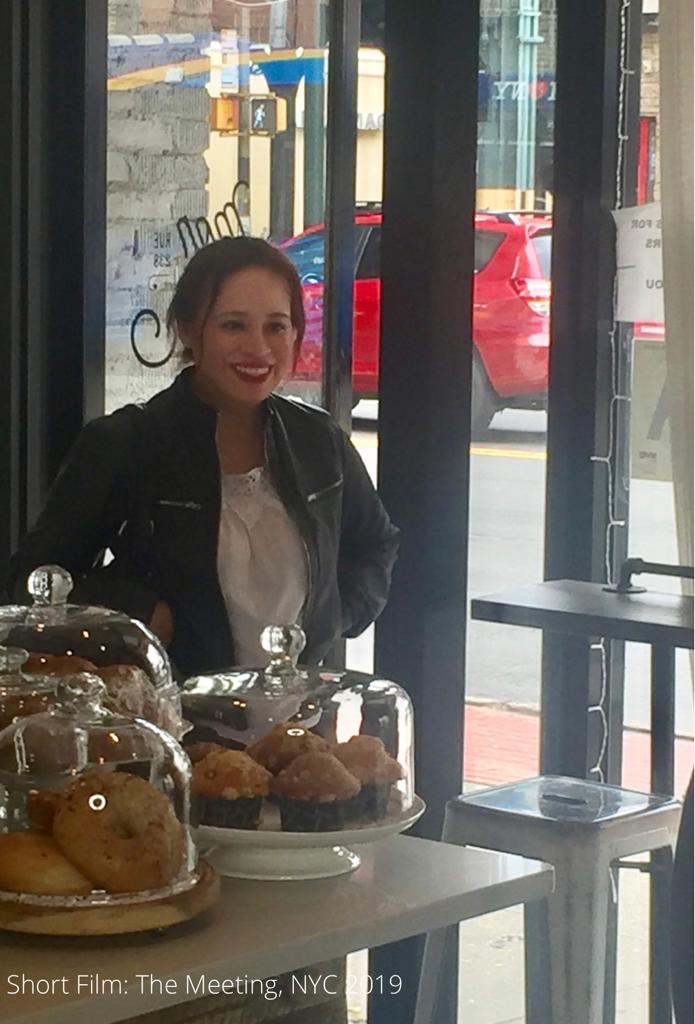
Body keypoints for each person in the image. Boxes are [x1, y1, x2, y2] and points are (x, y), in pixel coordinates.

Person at [6, 236, 399, 678]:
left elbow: (376, 545)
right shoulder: (127, 442)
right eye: (233, 325)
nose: (258, 348)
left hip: (298, 714)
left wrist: (332, 618)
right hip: (170, 710)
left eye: (276, 326)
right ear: (188, 329)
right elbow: (30, 582)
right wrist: (143, 614)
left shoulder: (318, 438)